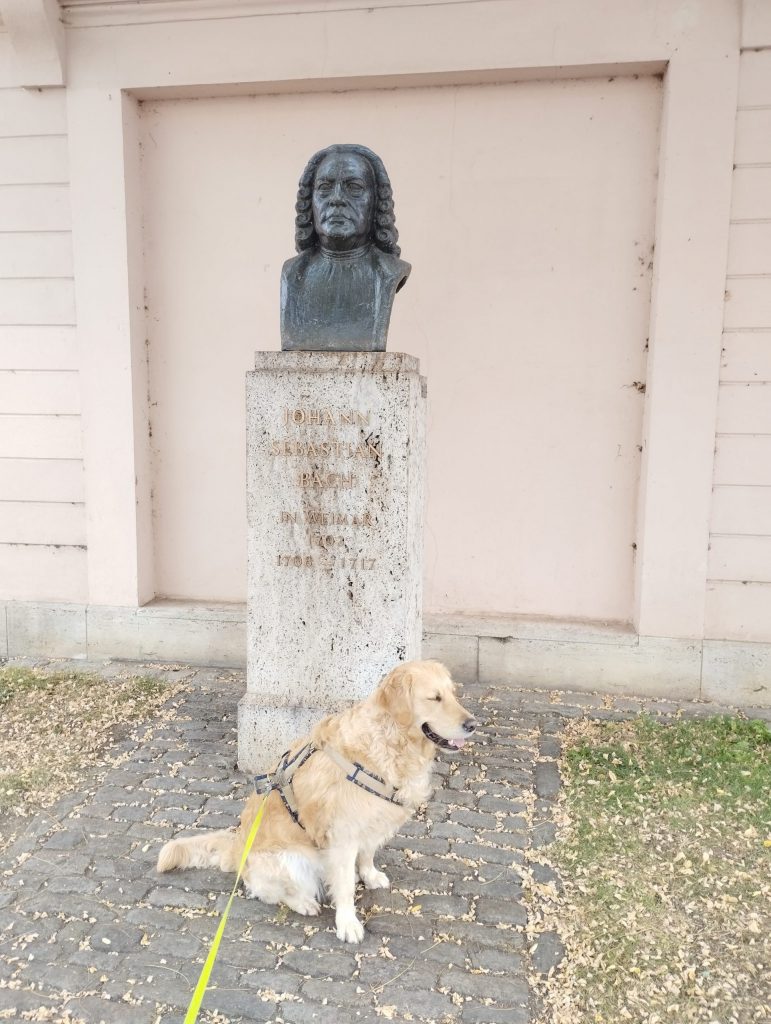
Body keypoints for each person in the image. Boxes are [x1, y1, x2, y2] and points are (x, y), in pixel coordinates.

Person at [280, 144, 411, 352]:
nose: (337, 198)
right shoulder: (293, 274)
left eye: (354, 187)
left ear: (376, 203)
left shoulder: (387, 273)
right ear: (310, 202)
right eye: (325, 187)